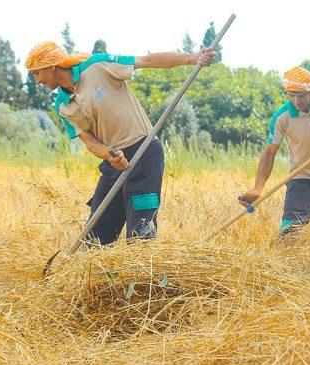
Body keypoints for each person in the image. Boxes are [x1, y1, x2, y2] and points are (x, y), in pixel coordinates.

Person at [25, 41, 215, 245]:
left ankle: (144, 276)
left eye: (37, 73)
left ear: (51, 65)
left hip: (144, 154)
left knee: (141, 233)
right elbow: (89, 140)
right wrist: (110, 155)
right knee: (94, 240)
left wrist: (193, 58)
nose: (37, 82)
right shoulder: (62, 104)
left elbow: (147, 60)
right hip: (114, 162)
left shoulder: (97, 65)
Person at [239, 66, 310, 235]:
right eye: (291, 96)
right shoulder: (282, 117)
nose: (296, 101)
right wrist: (258, 188)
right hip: (301, 179)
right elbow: (269, 153)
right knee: (289, 234)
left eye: (301, 96)